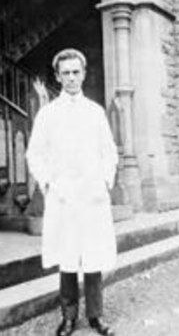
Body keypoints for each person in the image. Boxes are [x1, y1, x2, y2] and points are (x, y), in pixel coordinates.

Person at [26, 48, 118, 336]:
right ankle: (68, 316)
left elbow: (109, 152)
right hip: (63, 196)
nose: (71, 78)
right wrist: (49, 184)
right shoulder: (48, 114)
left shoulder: (95, 112)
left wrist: (104, 181)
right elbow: (34, 154)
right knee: (67, 256)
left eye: (76, 72)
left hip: (91, 195)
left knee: (92, 255)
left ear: (84, 74)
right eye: (65, 73)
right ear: (57, 76)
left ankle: (95, 316)